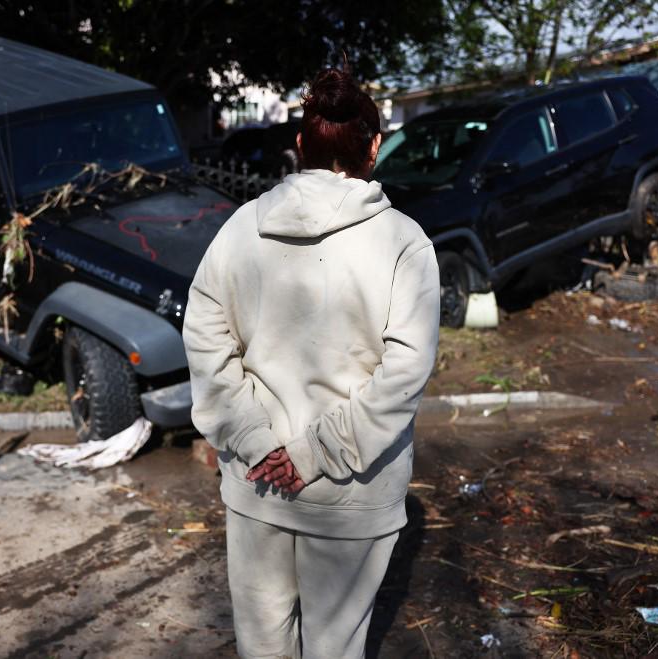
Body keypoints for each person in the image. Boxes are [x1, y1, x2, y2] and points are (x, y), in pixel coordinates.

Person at [183, 66, 440, 659]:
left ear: (300, 146)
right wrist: (316, 454)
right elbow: (403, 374)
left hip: (258, 481)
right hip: (353, 494)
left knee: (263, 647)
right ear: (374, 146)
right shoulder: (404, 243)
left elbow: (204, 339)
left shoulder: (239, 230)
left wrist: (257, 442)